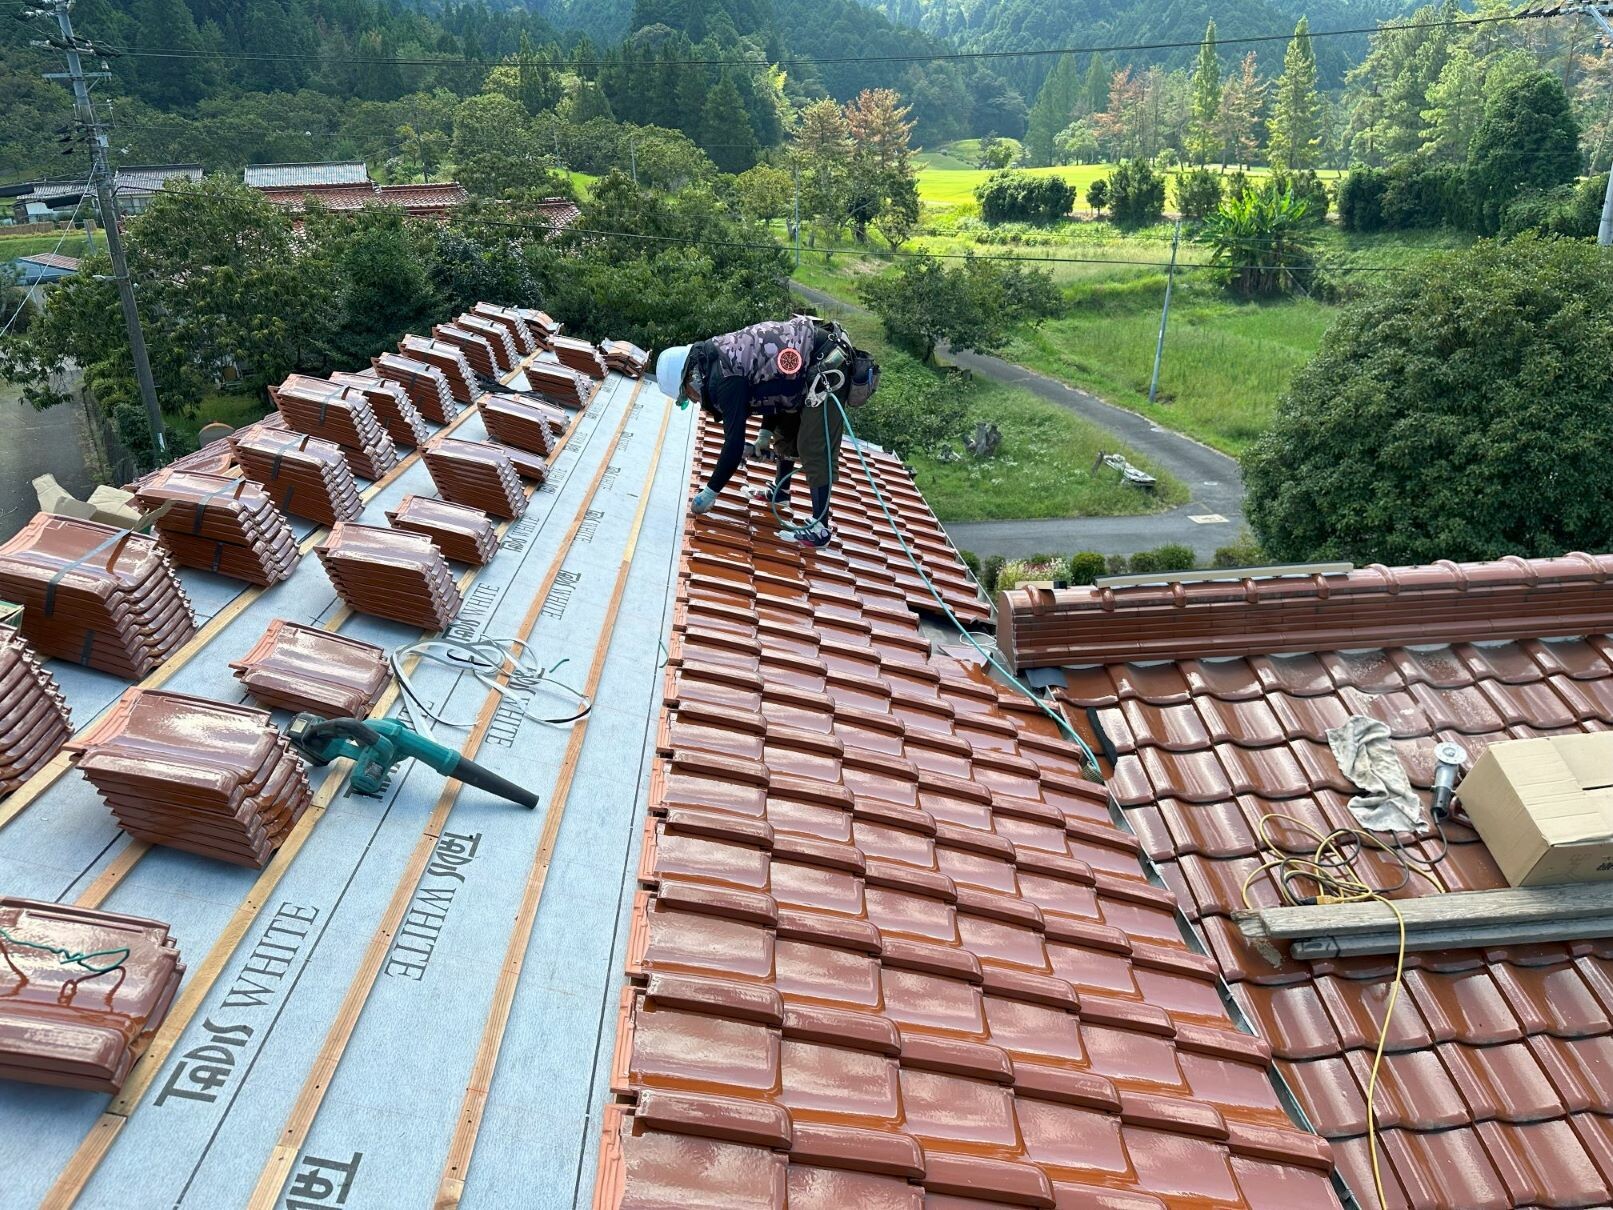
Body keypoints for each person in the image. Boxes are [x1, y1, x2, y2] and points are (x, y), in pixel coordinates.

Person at [655, 315, 877, 548]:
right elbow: (775, 385)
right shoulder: (717, 359)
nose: (692, 399)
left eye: (686, 395)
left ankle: (820, 528)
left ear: (691, 377)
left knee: (813, 445)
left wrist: (709, 493)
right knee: (786, 431)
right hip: (801, 372)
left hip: (827, 365)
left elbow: (733, 445)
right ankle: (781, 493)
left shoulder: (725, 377)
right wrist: (764, 434)